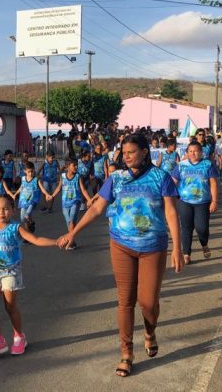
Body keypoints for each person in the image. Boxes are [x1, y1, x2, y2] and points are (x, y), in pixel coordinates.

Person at [57, 134, 183, 378]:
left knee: (148, 303)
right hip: (121, 245)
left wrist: (176, 247)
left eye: (131, 152)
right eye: (124, 153)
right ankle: (127, 353)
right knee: (125, 301)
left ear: (144, 152)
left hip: (153, 247)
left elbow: (170, 212)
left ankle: (150, 331)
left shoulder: (161, 177)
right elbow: (97, 208)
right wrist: (73, 232)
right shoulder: (116, 178)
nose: (126, 157)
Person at [0, 196, 59, 359]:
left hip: (11, 272)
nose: (1, 212)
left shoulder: (16, 228)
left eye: (5, 209)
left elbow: (35, 239)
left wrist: (56, 242)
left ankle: (19, 337)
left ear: (13, 210)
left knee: (10, 307)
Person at [171, 142, 219, 264]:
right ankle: (187, 254)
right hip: (184, 201)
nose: (193, 153)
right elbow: (173, 181)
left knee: (201, 228)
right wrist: (169, 198)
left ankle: (204, 243)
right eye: (190, 151)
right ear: (187, 152)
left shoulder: (208, 164)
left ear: (201, 152)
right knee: (186, 228)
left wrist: (214, 201)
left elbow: (213, 183)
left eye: (196, 151)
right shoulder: (181, 165)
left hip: (203, 202)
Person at [49, 158, 93, 251]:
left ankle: (70, 241)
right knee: (69, 223)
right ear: (67, 166)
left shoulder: (78, 177)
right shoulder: (63, 176)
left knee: (72, 221)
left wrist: (89, 200)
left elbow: (83, 189)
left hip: (75, 202)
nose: (76, 167)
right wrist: (52, 196)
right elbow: (59, 188)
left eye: (77, 165)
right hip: (65, 203)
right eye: (74, 165)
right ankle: (72, 241)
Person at [12, 162, 51, 228]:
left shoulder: (36, 180)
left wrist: (47, 194)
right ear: (25, 171)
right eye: (29, 172)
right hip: (23, 200)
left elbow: (42, 188)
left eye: (32, 171)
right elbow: (21, 187)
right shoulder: (23, 179)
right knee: (22, 218)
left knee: (27, 214)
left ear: (34, 170)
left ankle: (29, 225)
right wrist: (15, 194)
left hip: (32, 201)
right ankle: (30, 224)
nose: (30, 173)